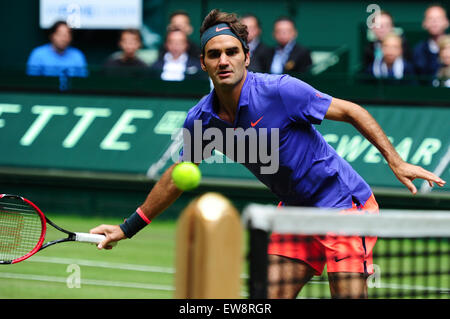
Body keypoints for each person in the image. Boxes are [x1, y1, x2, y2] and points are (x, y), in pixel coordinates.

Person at [90, 9, 446, 299]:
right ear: (203, 63)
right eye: (214, 54)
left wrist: (395, 161)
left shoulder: (280, 91)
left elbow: (353, 111)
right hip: (295, 214)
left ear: (246, 56)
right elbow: (176, 177)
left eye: (232, 52)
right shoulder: (202, 118)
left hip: (344, 207)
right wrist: (127, 228)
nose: (224, 60)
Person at [413, 4, 449, 78]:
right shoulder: (418, 51)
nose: (434, 22)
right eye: (430, 19)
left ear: (447, 22)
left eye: (438, 18)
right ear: (424, 23)